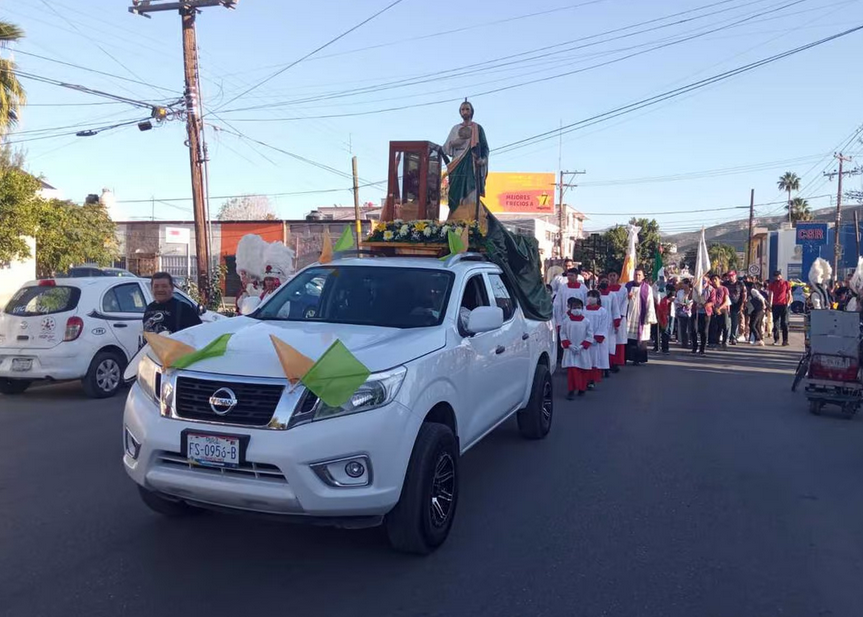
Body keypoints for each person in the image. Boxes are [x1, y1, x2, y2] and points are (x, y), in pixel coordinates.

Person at [443, 100, 489, 212]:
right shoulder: (455, 128)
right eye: (462, 109)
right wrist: (454, 143)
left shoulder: (477, 128)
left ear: (472, 111)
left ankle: (471, 221)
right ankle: (454, 219)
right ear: (460, 112)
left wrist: (483, 160)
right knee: (454, 193)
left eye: (467, 109)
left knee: (471, 193)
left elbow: (485, 148)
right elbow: (445, 148)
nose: (465, 111)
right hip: (457, 164)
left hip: (472, 165)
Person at [560, 297, 593, 399]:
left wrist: (582, 346)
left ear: (582, 308)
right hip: (570, 349)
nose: (576, 309)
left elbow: (590, 335)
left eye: (579, 307)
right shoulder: (566, 321)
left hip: (582, 349)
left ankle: (582, 388)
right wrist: (569, 345)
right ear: (570, 308)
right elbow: (563, 333)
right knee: (572, 371)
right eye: (574, 307)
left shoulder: (586, 321)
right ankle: (571, 389)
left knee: (582, 369)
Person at [625, 267, 657, 365]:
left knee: (641, 338)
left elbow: (650, 302)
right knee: (628, 337)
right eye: (636, 274)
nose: (637, 276)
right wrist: (627, 297)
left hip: (642, 316)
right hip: (629, 315)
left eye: (639, 275)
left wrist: (649, 316)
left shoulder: (647, 288)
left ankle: (638, 359)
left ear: (643, 276)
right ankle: (627, 357)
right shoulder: (627, 286)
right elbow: (622, 300)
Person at [584, 289, 611, 383]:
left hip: (596, 341)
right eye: (589, 296)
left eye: (593, 296)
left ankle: (592, 380)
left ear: (597, 299)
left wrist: (597, 337)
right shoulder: (583, 310)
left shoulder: (602, 311)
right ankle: (585, 380)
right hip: (585, 340)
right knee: (585, 360)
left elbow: (604, 325)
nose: (590, 298)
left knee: (595, 360)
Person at [598, 275, 622, 373]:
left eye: (606, 281)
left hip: (609, 323)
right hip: (598, 323)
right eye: (602, 281)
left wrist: (616, 323)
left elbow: (615, 309)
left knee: (609, 344)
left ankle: (609, 365)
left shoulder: (612, 295)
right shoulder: (595, 294)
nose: (604, 283)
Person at [607, 271, 628, 370]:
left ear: (618, 277)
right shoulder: (605, 290)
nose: (612, 277)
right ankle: (609, 361)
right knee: (609, 340)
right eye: (610, 275)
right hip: (607, 318)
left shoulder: (623, 290)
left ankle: (618, 360)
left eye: (614, 275)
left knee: (619, 340)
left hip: (620, 317)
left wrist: (619, 317)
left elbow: (624, 303)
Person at [691, 275, 715, 356]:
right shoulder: (696, 288)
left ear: (708, 281)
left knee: (704, 331)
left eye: (705, 280)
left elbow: (712, 301)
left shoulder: (711, 289)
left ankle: (702, 348)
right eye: (702, 280)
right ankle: (694, 347)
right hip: (696, 312)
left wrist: (703, 305)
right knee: (694, 330)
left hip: (705, 313)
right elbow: (691, 297)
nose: (703, 281)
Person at [767, 270, 791, 346]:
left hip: (784, 305)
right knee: (776, 323)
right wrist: (770, 304)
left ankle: (785, 340)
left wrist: (788, 303)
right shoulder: (772, 284)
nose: (777, 277)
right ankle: (776, 340)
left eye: (778, 276)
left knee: (784, 323)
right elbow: (771, 294)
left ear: (780, 276)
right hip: (775, 305)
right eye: (775, 276)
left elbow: (789, 294)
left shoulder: (786, 283)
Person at [724, 270, 747, 345]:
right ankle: (726, 337)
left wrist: (742, 305)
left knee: (735, 322)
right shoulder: (725, 284)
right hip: (726, 305)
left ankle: (733, 337)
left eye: (732, 275)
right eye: (729, 276)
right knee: (727, 322)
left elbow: (744, 294)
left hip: (736, 305)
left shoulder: (740, 284)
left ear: (735, 275)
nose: (730, 277)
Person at [709, 274, 730, 350]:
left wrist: (720, 308)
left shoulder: (724, 289)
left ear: (719, 280)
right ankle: (715, 342)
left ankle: (725, 342)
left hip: (723, 310)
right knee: (715, 327)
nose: (714, 281)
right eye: (712, 279)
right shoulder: (711, 289)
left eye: (715, 279)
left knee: (725, 326)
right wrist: (715, 308)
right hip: (713, 310)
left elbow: (726, 300)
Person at [746, 281, 766, 346]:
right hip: (756, 309)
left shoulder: (753, 290)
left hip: (759, 309)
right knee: (757, 325)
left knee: (752, 325)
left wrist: (763, 305)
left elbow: (761, 297)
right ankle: (760, 339)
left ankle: (758, 339)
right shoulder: (749, 292)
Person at [676, 278, 693, 349]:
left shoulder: (692, 292)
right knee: (683, 327)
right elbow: (676, 300)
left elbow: (693, 300)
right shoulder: (680, 292)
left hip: (690, 312)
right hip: (682, 312)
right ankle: (684, 342)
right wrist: (680, 303)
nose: (682, 285)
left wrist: (689, 304)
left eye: (683, 283)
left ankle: (692, 341)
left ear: (687, 284)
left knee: (691, 328)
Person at [657, 286, 675, 354]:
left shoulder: (671, 291)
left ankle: (665, 347)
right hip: (662, 312)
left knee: (666, 332)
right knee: (661, 331)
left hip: (668, 313)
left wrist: (667, 301)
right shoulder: (661, 292)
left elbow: (673, 299)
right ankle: (658, 346)